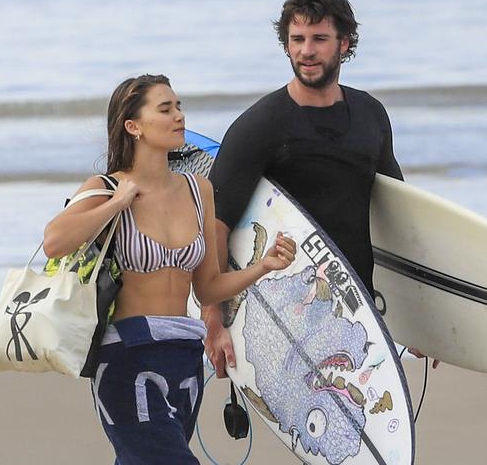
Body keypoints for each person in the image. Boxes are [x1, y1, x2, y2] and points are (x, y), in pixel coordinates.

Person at [42, 74, 296, 464]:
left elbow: (208, 288)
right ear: (133, 126)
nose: (179, 116)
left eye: (178, 107)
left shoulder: (199, 190)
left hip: (184, 357)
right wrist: (115, 204)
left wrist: (263, 267)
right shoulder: (107, 185)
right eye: (165, 109)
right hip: (127, 356)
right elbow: (54, 240)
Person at [204, 0, 437, 379]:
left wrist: (413, 316)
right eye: (296, 39)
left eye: (318, 38)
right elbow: (215, 223)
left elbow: (392, 215)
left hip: (357, 305)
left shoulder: (370, 115)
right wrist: (214, 322)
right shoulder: (260, 125)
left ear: (344, 43)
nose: (306, 51)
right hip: (286, 312)